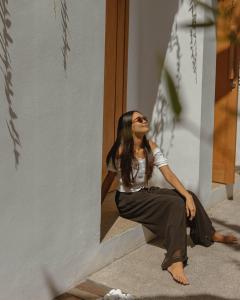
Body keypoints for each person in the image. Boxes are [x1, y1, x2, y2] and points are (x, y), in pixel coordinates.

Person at [101, 110, 238, 285]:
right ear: (128, 127)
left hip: (144, 192)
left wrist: (187, 196)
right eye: (139, 119)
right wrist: (98, 205)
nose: (144, 120)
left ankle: (208, 234)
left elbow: (169, 175)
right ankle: (175, 260)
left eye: (144, 118)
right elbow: (109, 180)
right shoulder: (119, 152)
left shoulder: (151, 146)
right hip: (128, 201)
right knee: (174, 203)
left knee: (189, 196)